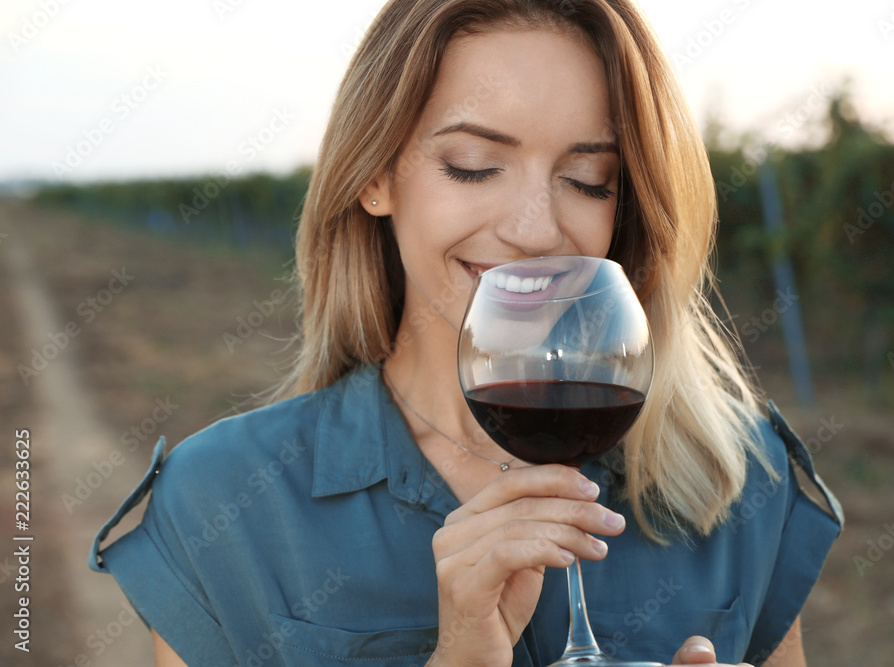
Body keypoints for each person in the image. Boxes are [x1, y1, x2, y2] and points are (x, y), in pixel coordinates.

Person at [90, 0, 843, 665]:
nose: (535, 230)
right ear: (374, 175)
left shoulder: (742, 481)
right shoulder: (220, 503)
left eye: (588, 180)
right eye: (475, 166)